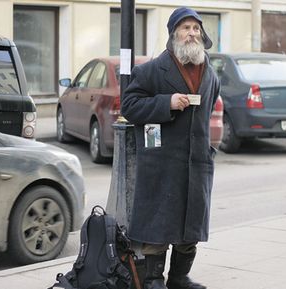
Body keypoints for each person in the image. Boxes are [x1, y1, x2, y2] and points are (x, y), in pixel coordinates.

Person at [121, 6, 220, 289]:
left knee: (191, 226)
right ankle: (153, 279)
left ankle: (179, 278)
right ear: (173, 33)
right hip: (162, 161)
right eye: (186, 28)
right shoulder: (152, 70)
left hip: (197, 161)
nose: (191, 33)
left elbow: (209, 106)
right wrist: (167, 103)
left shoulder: (210, 72)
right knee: (158, 224)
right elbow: (129, 106)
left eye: (196, 29)